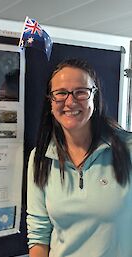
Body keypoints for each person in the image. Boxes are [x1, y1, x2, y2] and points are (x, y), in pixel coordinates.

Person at [26, 58, 132, 257]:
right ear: (51, 101)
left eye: (81, 92)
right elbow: (39, 233)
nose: (70, 101)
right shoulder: (40, 157)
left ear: (94, 97)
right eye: (61, 93)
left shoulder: (127, 148)